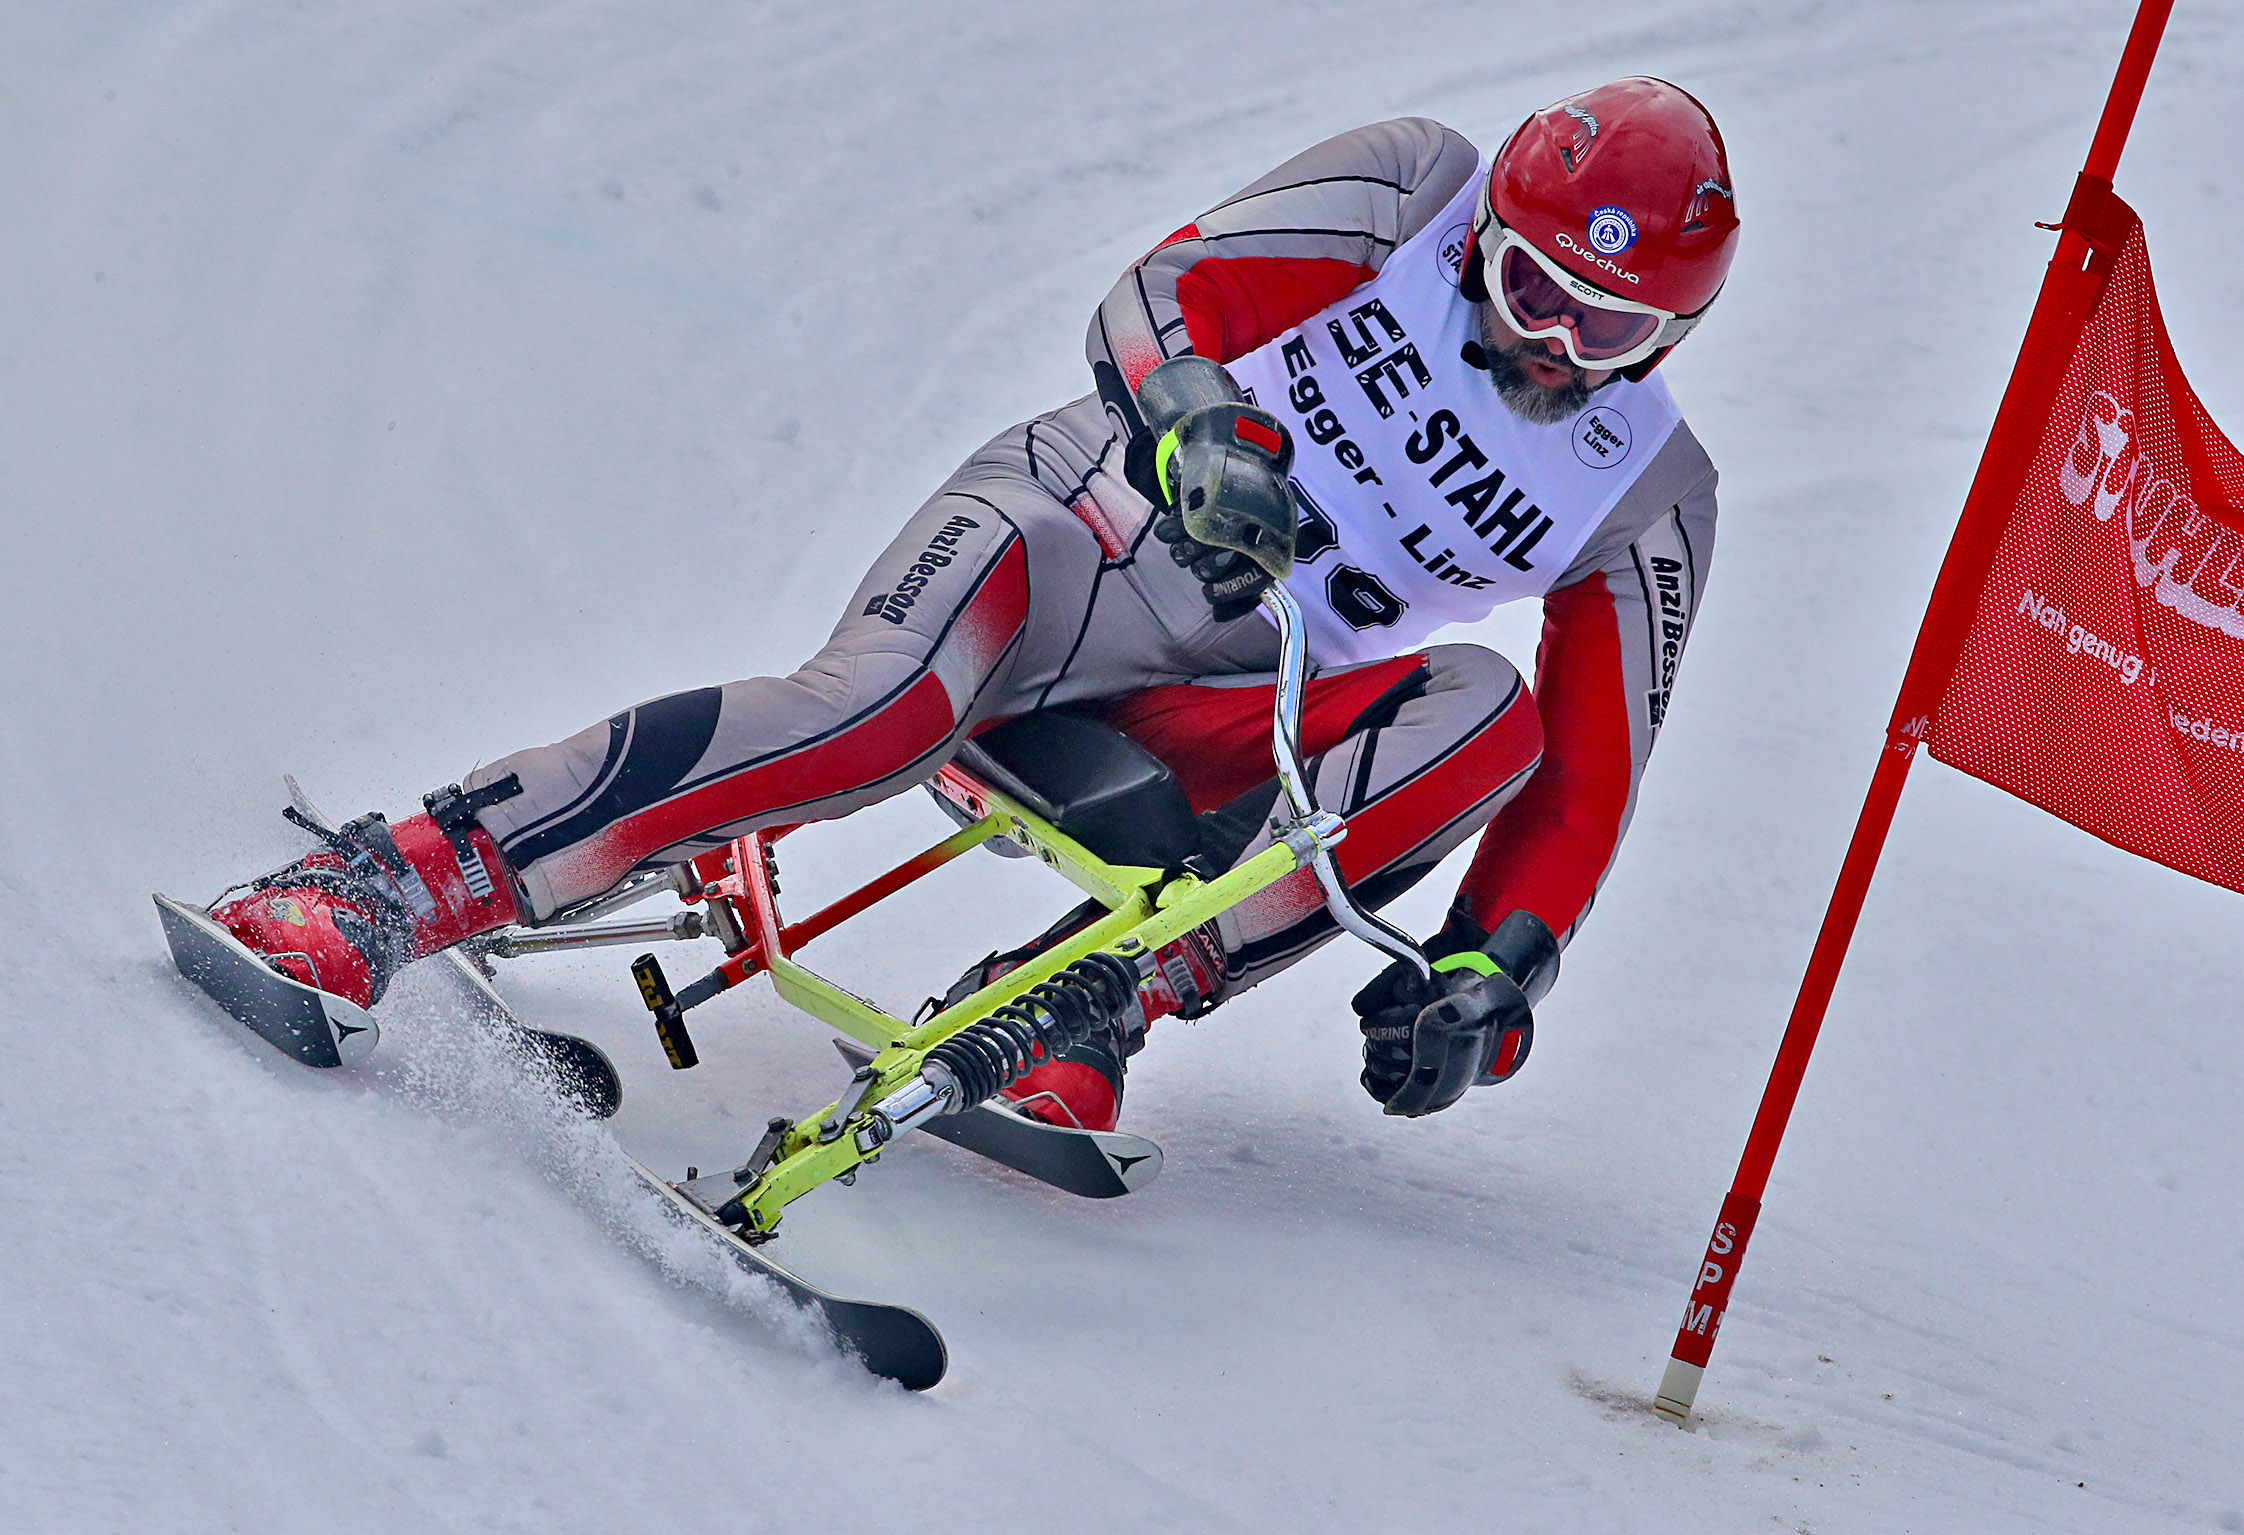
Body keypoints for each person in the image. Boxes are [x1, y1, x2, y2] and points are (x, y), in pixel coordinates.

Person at [211, 77, 1737, 1133]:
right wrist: (1200, 425)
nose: (1547, 341)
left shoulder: (1652, 493)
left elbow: (1592, 777)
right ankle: (398, 878)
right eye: (1528, 287)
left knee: (1491, 716)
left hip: (1231, 706)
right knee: (874, 716)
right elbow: (1160, 293)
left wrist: (1497, 975)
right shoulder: (1414, 187)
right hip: (1074, 538)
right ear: (1489, 235)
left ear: (1676, 332)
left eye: (1608, 325)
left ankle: (1080, 1010)